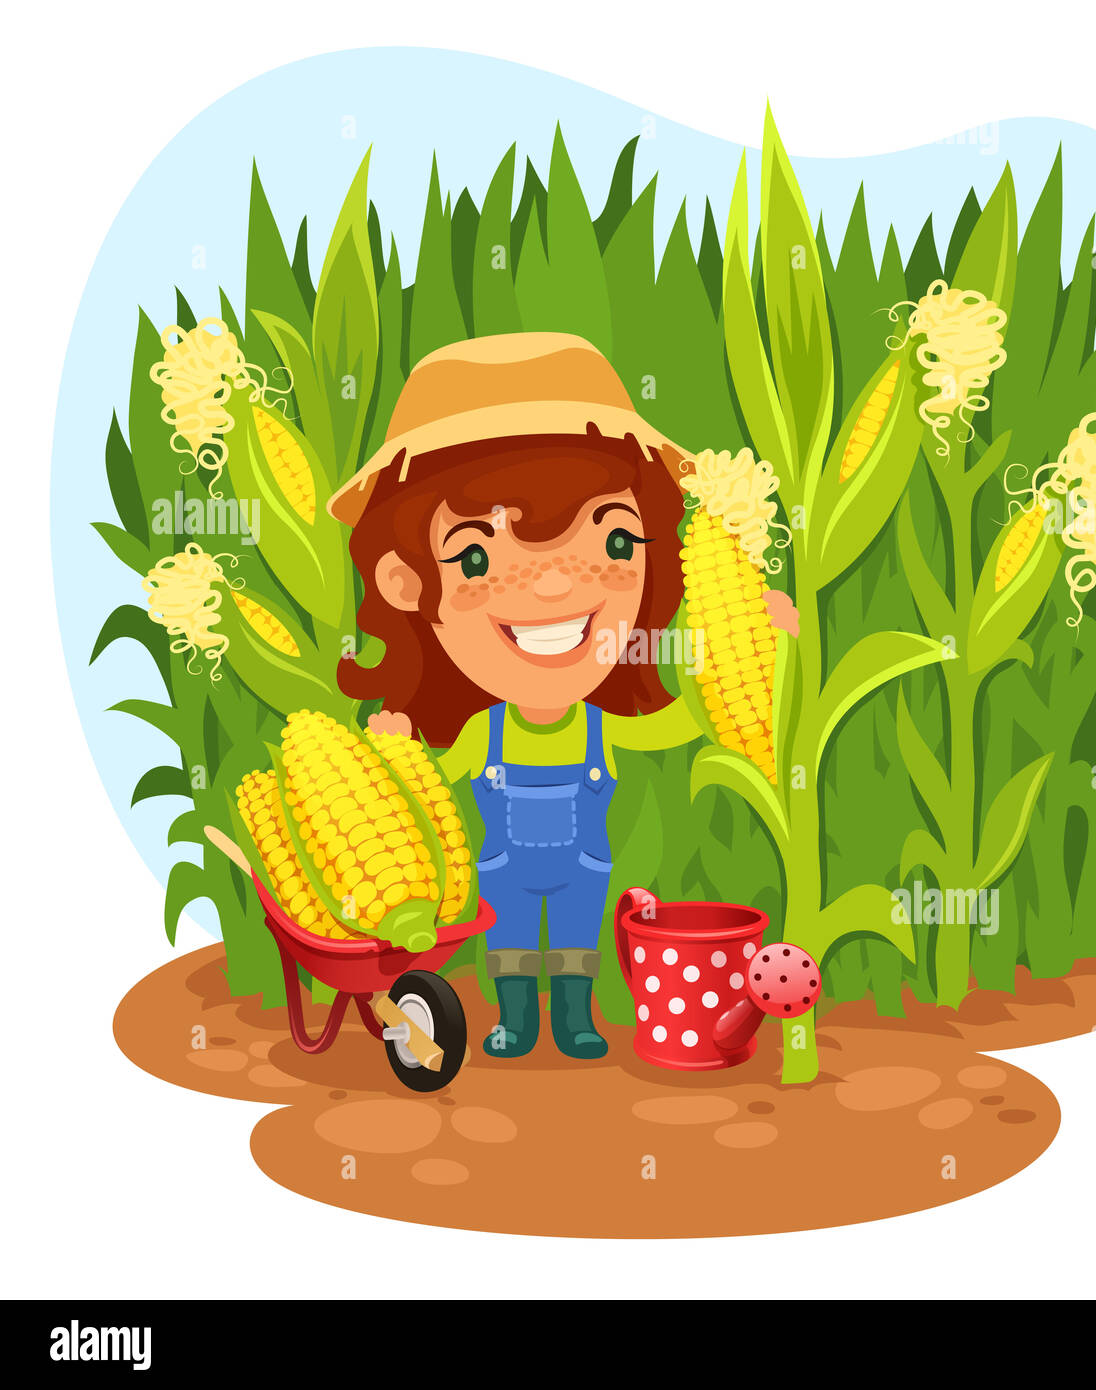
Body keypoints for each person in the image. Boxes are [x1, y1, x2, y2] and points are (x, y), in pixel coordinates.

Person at [327, 333, 797, 1060]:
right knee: (511, 941)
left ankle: (575, 1019)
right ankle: (514, 1020)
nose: (551, 586)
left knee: (576, 940)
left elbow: (697, 716)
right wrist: (396, 756)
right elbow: (427, 794)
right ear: (406, 583)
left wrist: (773, 647)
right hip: (504, 871)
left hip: (583, 870)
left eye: (613, 544)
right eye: (478, 557)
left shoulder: (604, 727)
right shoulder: (481, 733)